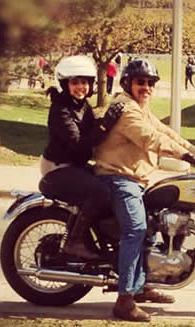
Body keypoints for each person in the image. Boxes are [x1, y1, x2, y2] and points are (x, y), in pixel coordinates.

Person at [93, 59, 195, 322]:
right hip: (118, 178)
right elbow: (151, 138)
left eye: (150, 83)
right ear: (128, 83)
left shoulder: (139, 106)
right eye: (140, 82)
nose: (146, 87)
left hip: (136, 179)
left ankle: (142, 286)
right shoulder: (126, 109)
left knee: (154, 223)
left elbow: (163, 130)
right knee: (136, 230)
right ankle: (125, 300)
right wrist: (187, 156)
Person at [38, 55, 110, 260]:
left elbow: (94, 126)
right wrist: (103, 127)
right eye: (75, 82)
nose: (81, 87)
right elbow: (79, 145)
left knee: (109, 181)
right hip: (57, 168)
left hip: (72, 165)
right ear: (65, 84)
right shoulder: (61, 110)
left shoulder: (82, 105)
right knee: (100, 193)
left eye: (84, 82)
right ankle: (74, 241)